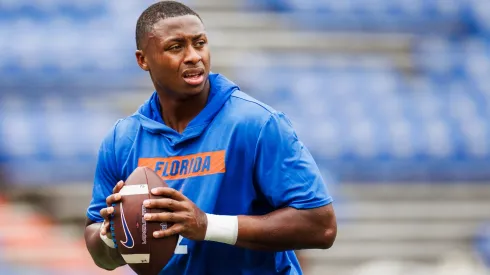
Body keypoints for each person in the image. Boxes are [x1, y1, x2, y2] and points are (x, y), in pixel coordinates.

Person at [83, 1, 337, 274]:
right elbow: (103, 256)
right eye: (176, 47)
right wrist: (112, 234)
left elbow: (321, 227)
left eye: (200, 43)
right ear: (143, 59)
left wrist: (206, 225)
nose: (194, 56)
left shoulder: (257, 124)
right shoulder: (122, 139)